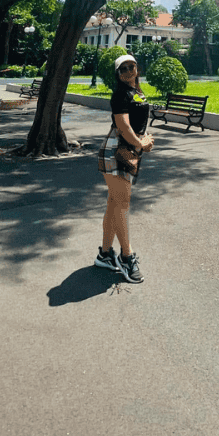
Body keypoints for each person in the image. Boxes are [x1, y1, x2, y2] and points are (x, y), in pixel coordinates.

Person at [95, 54, 155, 283]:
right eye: (123, 69)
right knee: (122, 204)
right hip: (117, 149)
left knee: (114, 203)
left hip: (129, 149)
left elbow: (137, 123)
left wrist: (143, 139)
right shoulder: (121, 94)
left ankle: (105, 254)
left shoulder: (137, 92)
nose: (129, 71)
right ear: (118, 74)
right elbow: (122, 124)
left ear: (137, 68)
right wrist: (140, 143)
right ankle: (127, 257)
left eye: (132, 66)